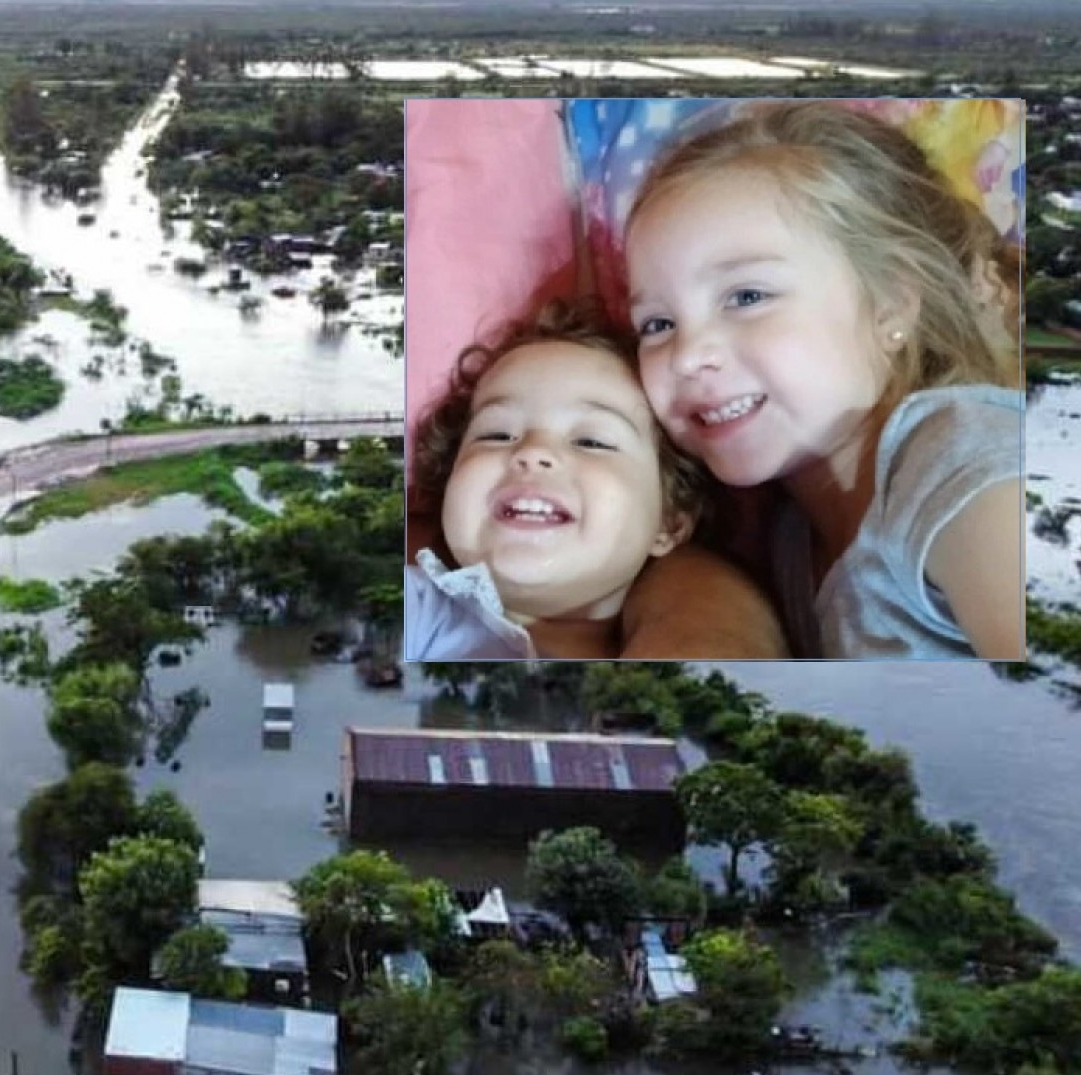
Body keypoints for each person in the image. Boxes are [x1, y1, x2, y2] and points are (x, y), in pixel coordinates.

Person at [625, 101, 1024, 659]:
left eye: (746, 297)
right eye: (657, 324)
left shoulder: (962, 463)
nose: (688, 356)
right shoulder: (791, 542)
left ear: (890, 305)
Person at [404, 298, 710, 660]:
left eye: (591, 442)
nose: (532, 452)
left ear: (669, 520)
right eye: (496, 434)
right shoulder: (416, 609)